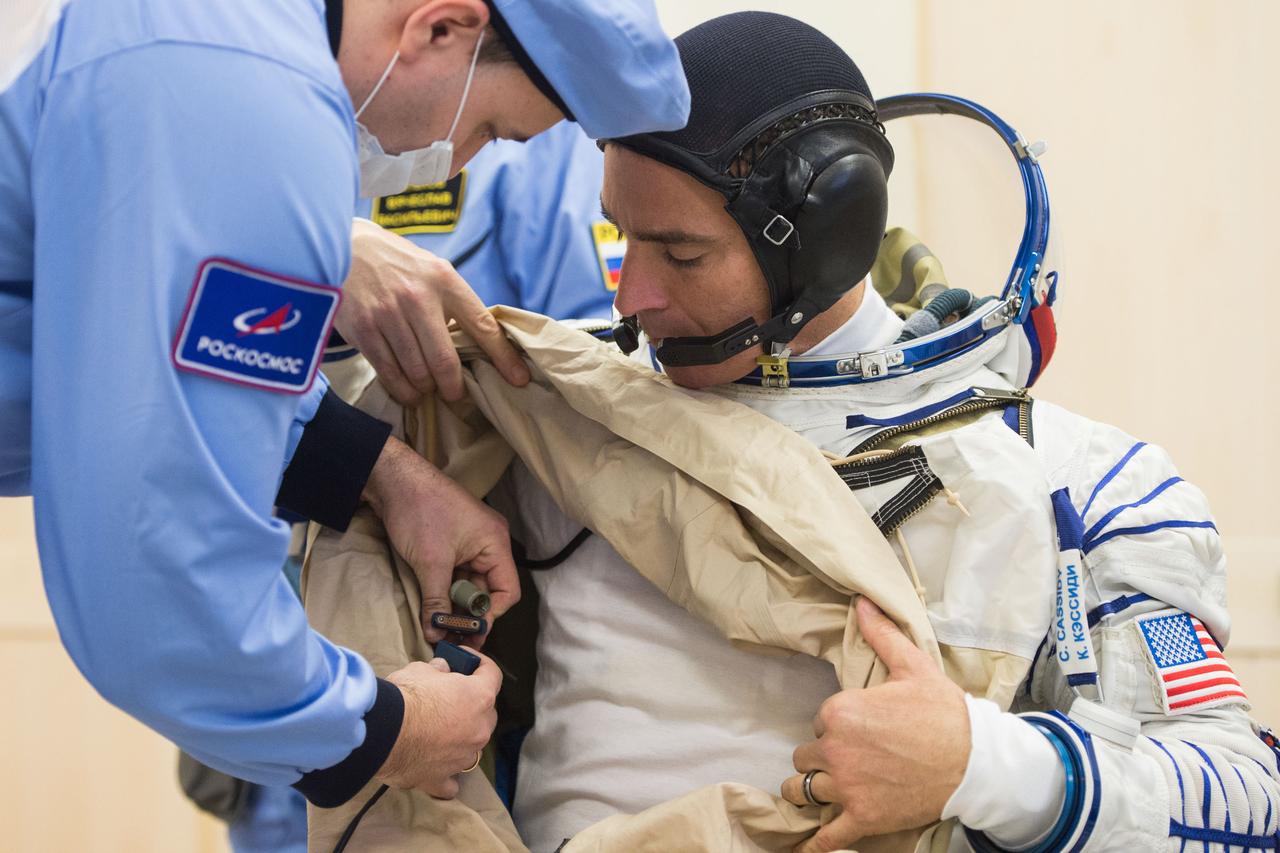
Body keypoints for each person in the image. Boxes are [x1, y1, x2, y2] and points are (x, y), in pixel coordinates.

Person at [490, 12, 1280, 851]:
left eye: (681, 255)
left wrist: (981, 763)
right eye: (622, 236)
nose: (630, 297)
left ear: (824, 242)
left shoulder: (1070, 481)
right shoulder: (552, 418)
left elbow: (1245, 801)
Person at [0, 0, 686, 816]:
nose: (460, 164)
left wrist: (376, 471)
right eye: (493, 132)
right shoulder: (254, 106)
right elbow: (161, 578)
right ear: (440, 28)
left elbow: (121, 344)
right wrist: (382, 729)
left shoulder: (213, 37)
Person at [218, 120, 616, 853]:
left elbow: (577, 389)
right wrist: (329, 255)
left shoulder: (546, 155)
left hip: (447, 582)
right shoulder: (259, 117)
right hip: (264, 564)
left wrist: (388, 474)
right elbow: (201, 382)